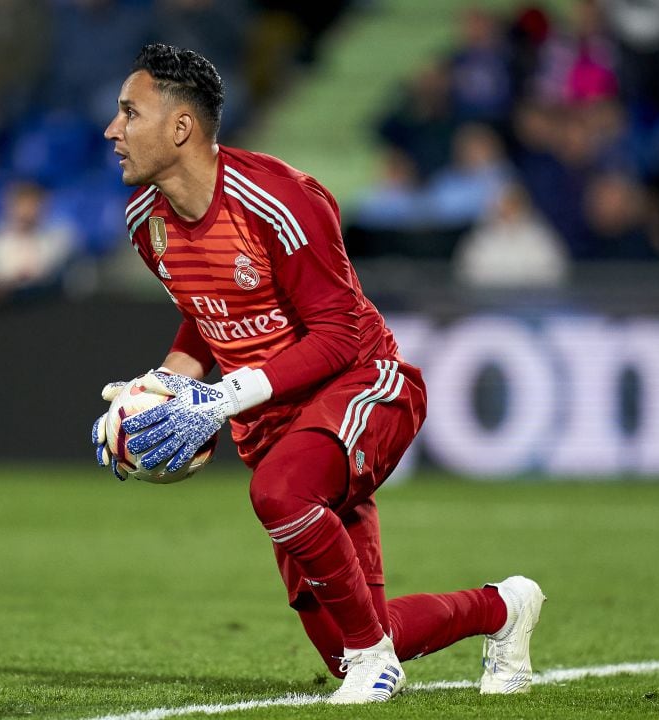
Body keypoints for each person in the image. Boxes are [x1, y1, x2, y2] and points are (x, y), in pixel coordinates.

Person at [89, 44, 544, 705]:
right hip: (276, 423)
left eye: (129, 113)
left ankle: (377, 665)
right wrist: (162, 388)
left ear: (181, 128)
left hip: (365, 385)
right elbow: (206, 317)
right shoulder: (145, 223)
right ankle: (502, 610)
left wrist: (224, 397)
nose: (113, 130)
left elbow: (339, 334)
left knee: (280, 494)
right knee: (346, 641)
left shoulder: (280, 200)